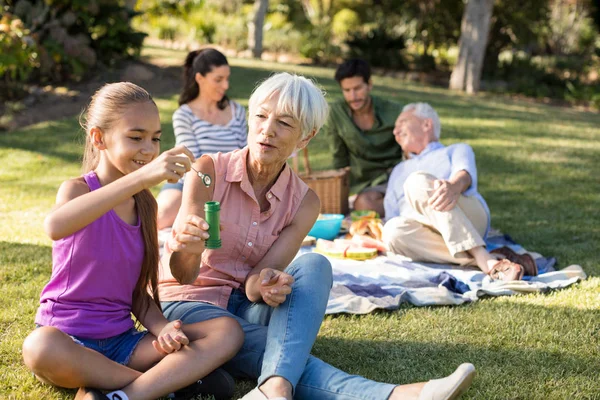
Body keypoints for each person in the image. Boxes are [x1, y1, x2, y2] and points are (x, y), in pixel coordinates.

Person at [159, 73, 476, 400]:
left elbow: (255, 283)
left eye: (284, 122)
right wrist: (188, 247)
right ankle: (395, 396)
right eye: (261, 116)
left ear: (305, 138)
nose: (268, 129)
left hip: (244, 304)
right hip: (190, 303)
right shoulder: (208, 171)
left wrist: (266, 283)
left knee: (315, 265)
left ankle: (270, 386)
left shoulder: (305, 202)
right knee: (272, 349)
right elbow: (182, 274)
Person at [21, 82, 244, 400]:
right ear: (99, 138)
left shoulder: (145, 205)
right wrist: (143, 177)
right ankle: (167, 385)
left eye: (155, 138)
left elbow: (137, 293)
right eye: (136, 137)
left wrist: (162, 328)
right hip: (68, 341)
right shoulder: (78, 191)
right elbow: (55, 226)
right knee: (39, 347)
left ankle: (120, 392)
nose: (149, 149)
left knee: (227, 331)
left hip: (123, 343)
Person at [382, 102, 536, 281]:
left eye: (402, 123)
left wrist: (452, 187)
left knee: (416, 182)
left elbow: (464, 175)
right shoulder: (398, 170)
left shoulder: (456, 149)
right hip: (425, 230)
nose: (395, 131)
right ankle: (494, 260)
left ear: (426, 124)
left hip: (467, 215)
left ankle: (481, 256)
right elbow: (391, 216)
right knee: (391, 233)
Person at [157, 48, 248, 230]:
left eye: (227, 78)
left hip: (232, 186)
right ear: (200, 78)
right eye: (218, 79)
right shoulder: (184, 115)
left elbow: (245, 154)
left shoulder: (237, 111)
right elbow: (193, 161)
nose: (226, 86)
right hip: (190, 184)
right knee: (161, 216)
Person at [323, 58, 403, 217]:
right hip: (367, 184)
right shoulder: (336, 113)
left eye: (357, 88)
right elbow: (339, 159)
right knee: (363, 204)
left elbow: (413, 149)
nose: (353, 96)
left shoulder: (394, 111)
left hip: (397, 176)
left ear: (369, 85)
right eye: (346, 90)